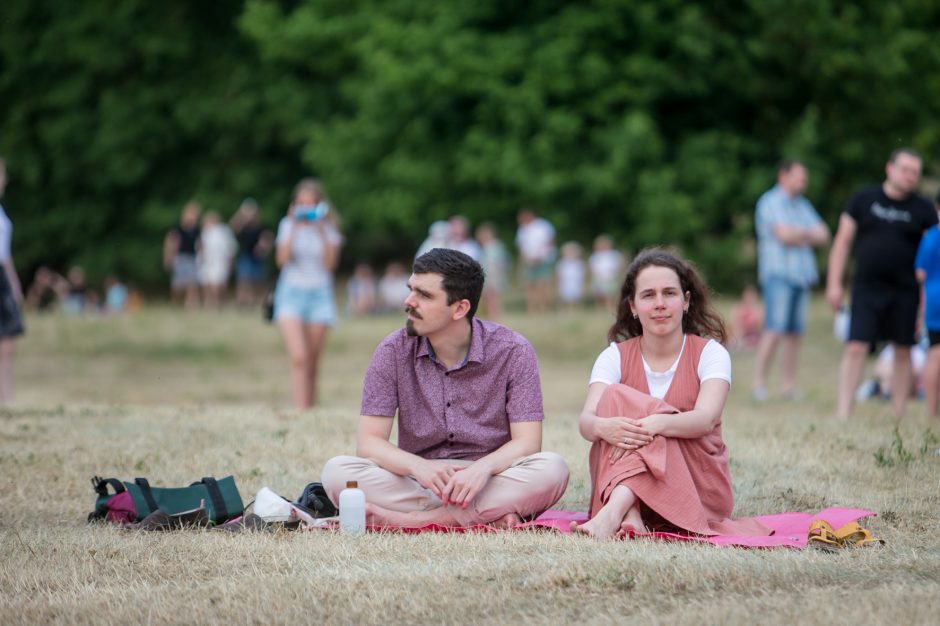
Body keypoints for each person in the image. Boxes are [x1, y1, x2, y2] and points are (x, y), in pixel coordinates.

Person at [321, 248, 569, 528]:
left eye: (424, 295)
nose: (408, 301)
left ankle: (411, 521)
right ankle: (484, 516)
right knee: (337, 472)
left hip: (488, 479)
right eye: (411, 290)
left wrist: (482, 469)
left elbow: (527, 443)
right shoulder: (392, 351)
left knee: (552, 469)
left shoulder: (513, 351)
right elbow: (369, 442)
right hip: (420, 480)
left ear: (460, 308)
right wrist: (418, 467)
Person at [572, 248, 771, 539]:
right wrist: (606, 427)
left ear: (686, 301)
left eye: (669, 293)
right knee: (612, 398)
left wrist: (655, 424)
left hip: (696, 486)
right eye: (648, 295)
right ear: (633, 306)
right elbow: (586, 423)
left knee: (623, 405)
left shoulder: (710, 354)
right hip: (632, 488)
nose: (660, 304)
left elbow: (704, 420)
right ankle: (629, 513)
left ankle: (612, 515)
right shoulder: (613, 356)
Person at [826, 148, 937, 419]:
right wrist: (834, 283)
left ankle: (898, 413)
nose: (910, 176)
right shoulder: (864, 199)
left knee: (903, 350)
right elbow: (842, 242)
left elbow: (933, 251)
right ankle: (844, 412)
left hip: (905, 290)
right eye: (905, 169)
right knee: (856, 347)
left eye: (915, 172)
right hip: (866, 288)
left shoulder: (923, 209)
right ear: (890, 168)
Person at [751, 160, 830, 400]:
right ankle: (759, 385)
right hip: (778, 275)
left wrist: (798, 234)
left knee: (795, 334)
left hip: (801, 276)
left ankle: (787, 386)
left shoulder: (802, 205)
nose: (804, 181)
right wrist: (806, 234)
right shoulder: (769, 202)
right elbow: (783, 236)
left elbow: (824, 234)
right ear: (783, 176)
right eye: (799, 176)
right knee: (774, 329)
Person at [274, 178, 342, 409]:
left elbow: (330, 264)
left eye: (310, 204)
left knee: (312, 361)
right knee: (299, 357)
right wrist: (293, 227)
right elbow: (281, 260)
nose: (305, 209)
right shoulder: (286, 226)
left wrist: (321, 229)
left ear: (320, 206)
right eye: (301, 203)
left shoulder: (329, 230)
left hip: (319, 296)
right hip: (291, 294)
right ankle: (300, 410)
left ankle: (310, 408)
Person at [915, 190, 940, 417]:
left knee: (934, 352)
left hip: (933, 300)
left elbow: (920, 273)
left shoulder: (930, 236)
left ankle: (933, 411)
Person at [230, 198, 273, 307]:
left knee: (258, 282)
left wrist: (264, 248)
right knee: (244, 281)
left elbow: (268, 239)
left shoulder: (262, 227)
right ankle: (243, 303)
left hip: (258, 258)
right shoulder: (243, 227)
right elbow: (232, 227)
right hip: (245, 257)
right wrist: (241, 214)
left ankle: (257, 302)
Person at [515, 208, 556, 314]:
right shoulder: (522, 229)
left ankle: (544, 307)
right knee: (530, 284)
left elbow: (549, 242)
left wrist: (539, 255)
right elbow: (521, 246)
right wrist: (524, 259)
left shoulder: (543, 226)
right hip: (528, 261)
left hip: (542, 259)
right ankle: (532, 308)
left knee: (543, 284)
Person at [163, 200, 202, 309]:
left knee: (192, 285)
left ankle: (191, 307)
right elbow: (170, 243)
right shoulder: (177, 227)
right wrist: (168, 258)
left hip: (192, 258)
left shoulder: (196, 229)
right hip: (180, 258)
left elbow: (199, 244)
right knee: (178, 286)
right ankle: (176, 304)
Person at [198, 210, 237, 309]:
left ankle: (218, 303)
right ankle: (209, 303)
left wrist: (229, 261)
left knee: (218, 284)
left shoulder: (223, 231)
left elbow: (230, 248)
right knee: (207, 283)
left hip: (219, 262)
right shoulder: (205, 232)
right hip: (207, 262)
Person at [475, 222, 510, 320]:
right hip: (486, 275)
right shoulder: (483, 248)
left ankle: (495, 315)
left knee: (494, 296)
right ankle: (491, 315)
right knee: (488, 296)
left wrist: (500, 273)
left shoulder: (496, 246)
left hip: (495, 275)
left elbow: (502, 261)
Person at [589, 234, 624, 312]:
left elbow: (618, 265)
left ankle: (610, 308)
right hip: (599, 278)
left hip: (610, 277)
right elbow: (592, 268)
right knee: (600, 296)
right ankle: (600, 309)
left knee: (610, 295)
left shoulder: (613, 254)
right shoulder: (595, 256)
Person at [729, 285, 763, 352]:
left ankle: (744, 345)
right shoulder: (739, 307)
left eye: (751, 296)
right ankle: (740, 344)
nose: (749, 298)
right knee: (737, 334)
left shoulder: (758, 308)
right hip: (742, 333)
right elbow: (735, 322)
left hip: (754, 333)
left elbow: (759, 324)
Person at [556, 241, 586, 311]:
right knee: (565, 297)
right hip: (565, 283)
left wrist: (583, 285)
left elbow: (582, 276)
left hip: (576, 283)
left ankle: (574, 309)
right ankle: (565, 310)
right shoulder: (561, 263)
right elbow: (559, 275)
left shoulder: (579, 264)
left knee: (575, 297)